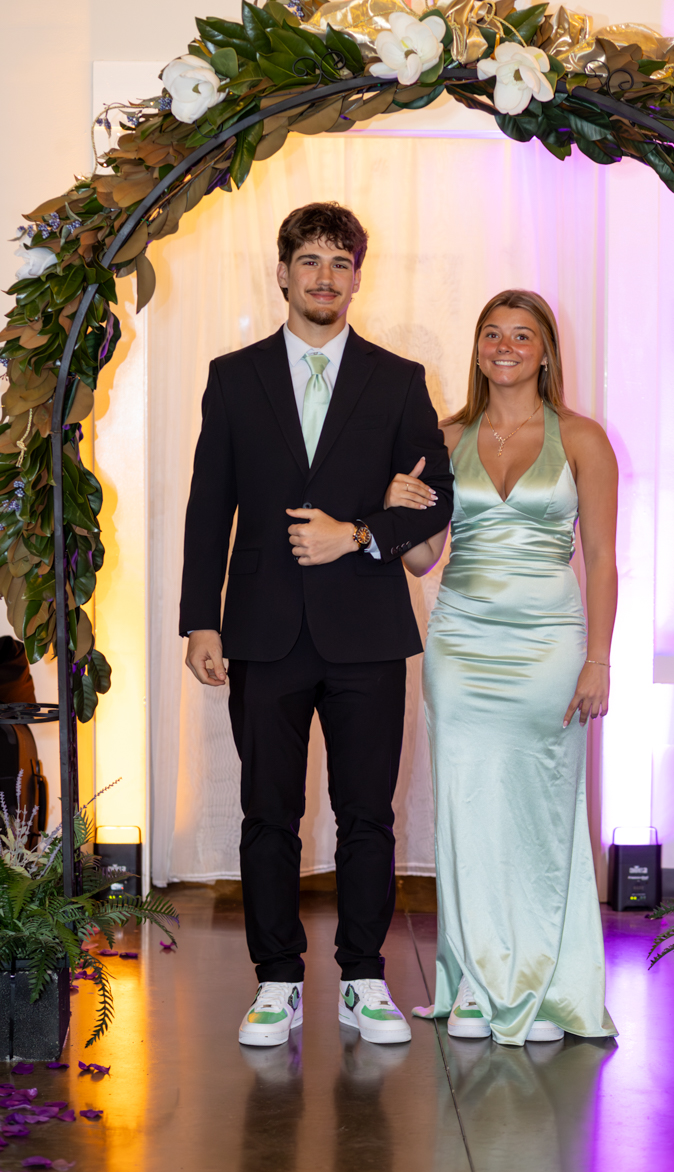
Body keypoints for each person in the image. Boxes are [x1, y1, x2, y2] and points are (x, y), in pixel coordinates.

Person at [179, 202, 453, 1048]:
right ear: (284, 272)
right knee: (268, 814)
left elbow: (433, 497)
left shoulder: (399, 379)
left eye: (340, 262)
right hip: (260, 628)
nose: (325, 277)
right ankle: (278, 980)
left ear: (358, 276)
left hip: (367, 630)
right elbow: (207, 508)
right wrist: (200, 621)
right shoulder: (233, 376)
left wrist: (362, 533)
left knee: (368, 813)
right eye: (310, 261)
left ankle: (365, 978)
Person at [385, 289, 618, 1046]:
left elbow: (606, 560)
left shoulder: (583, 438)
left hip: (551, 646)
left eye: (523, 335)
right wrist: (398, 506)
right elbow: (424, 560)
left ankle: (547, 985)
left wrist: (599, 659)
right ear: (478, 346)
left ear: (547, 350)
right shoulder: (448, 434)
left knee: (545, 817)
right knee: (470, 812)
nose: (506, 346)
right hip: (463, 645)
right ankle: (478, 982)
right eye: (493, 334)